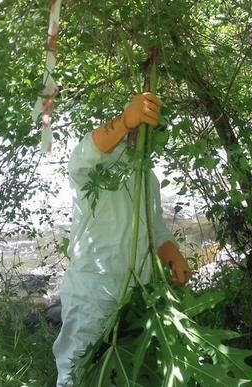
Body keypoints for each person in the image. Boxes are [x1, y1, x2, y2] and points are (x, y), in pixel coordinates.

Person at [52, 92, 192, 387]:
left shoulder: (148, 178)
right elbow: (82, 156)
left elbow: (154, 229)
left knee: (128, 374)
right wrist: (124, 120)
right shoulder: (99, 165)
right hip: (92, 291)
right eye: (143, 126)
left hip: (135, 293)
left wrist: (172, 255)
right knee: (77, 371)